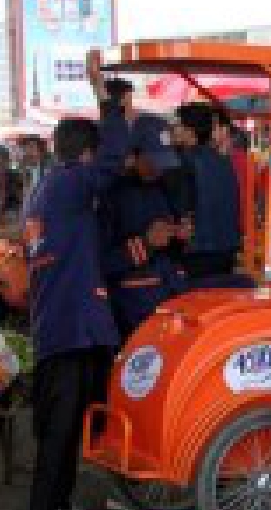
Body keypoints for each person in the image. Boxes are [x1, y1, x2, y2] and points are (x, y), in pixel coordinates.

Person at [25, 105, 131, 510]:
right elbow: (113, 163)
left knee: (70, 428)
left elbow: (93, 257)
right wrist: (109, 103)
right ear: (85, 156)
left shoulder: (51, 191)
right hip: (67, 329)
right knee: (60, 430)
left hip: (70, 325)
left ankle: (61, 509)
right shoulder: (69, 182)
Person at [99, 114, 186, 341]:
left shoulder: (161, 187)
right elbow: (101, 261)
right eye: (154, 161)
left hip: (167, 298)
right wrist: (146, 243)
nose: (160, 169)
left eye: (164, 162)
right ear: (133, 155)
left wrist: (179, 236)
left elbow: (171, 250)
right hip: (130, 310)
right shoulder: (110, 193)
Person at [171, 102, 243, 280]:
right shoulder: (225, 162)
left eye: (178, 124)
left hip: (198, 251)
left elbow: (180, 206)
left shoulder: (184, 162)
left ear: (190, 130)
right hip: (227, 248)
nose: (174, 129)